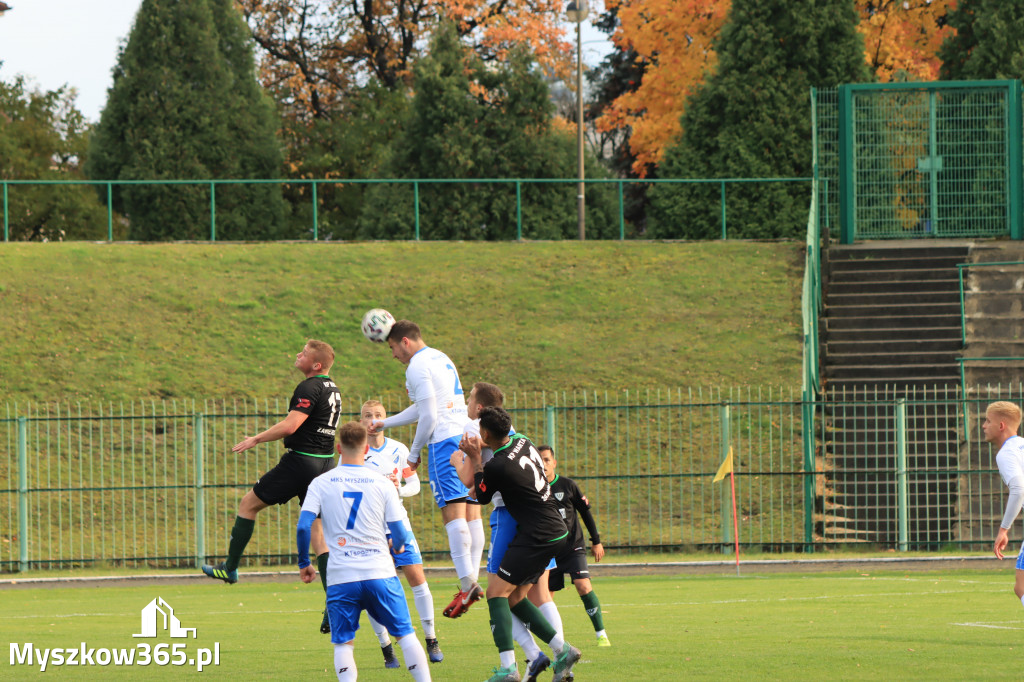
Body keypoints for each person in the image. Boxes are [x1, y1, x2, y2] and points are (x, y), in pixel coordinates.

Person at [203, 339, 341, 625]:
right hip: (326, 464)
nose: (297, 354)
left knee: (248, 504)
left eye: (302, 353)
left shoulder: (309, 387)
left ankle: (230, 567)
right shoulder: (333, 388)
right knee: (319, 532)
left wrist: (255, 438)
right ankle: (333, 603)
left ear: (316, 365)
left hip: (302, 462)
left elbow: (291, 426)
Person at [297, 422, 431, 682]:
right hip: (379, 573)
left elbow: (304, 526)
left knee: (344, 644)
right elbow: (399, 529)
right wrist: (400, 544)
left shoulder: (320, 483)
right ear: (366, 448)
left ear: (338, 448)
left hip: (341, 576)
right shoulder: (382, 484)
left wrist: (305, 562)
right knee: (405, 635)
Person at [367, 320, 481, 617]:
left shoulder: (416, 366)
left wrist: (414, 454)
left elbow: (429, 416)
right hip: (467, 434)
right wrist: (385, 422)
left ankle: (467, 584)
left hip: (444, 441)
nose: (393, 355)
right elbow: (424, 408)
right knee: (472, 507)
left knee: (452, 510)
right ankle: (472, 580)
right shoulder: (440, 357)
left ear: (404, 341)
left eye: (392, 348)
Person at [461, 406, 581, 682]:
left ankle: (508, 669)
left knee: (495, 594)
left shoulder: (497, 465)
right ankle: (562, 651)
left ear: (486, 432)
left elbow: (480, 496)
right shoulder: (523, 440)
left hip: (537, 536)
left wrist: (474, 459)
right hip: (555, 531)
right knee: (515, 597)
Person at [357, 399, 443, 666]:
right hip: (368, 528)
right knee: (373, 587)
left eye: (378, 415)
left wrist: (398, 489)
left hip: (398, 524)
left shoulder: (399, 449)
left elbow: (414, 484)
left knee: (417, 578)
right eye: (367, 416)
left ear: (385, 419)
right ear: (361, 421)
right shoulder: (353, 452)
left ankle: (431, 638)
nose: (372, 420)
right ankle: (386, 647)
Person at [535, 444, 611, 647]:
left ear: (554, 462)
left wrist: (596, 541)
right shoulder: (534, 489)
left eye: (547, 459)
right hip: (548, 551)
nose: (543, 464)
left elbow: (585, 512)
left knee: (583, 585)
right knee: (544, 598)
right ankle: (555, 642)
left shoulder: (568, 485)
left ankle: (601, 634)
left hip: (573, 547)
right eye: (539, 460)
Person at [988, 401, 1024, 606]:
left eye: (987, 420)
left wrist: (1003, 529)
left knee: (1021, 587)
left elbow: (1019, 488)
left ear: (1001, 425)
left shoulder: (1006, 453)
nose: (984, 425)